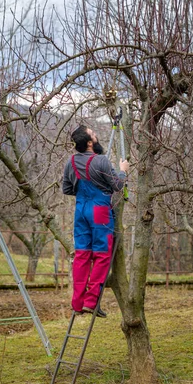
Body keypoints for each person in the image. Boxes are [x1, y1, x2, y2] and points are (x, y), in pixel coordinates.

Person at [63, 124, 129, 317]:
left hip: (80, 211)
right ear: (90, 142)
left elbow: (67, 189)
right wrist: (123, 170)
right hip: (99, 211)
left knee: (82, 256)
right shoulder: (101, 161)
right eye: (93, 134)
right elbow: (117, 185)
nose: (96, 134)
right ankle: (91, 302)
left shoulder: (71, 162)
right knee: (101, 255)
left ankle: (77, 303)